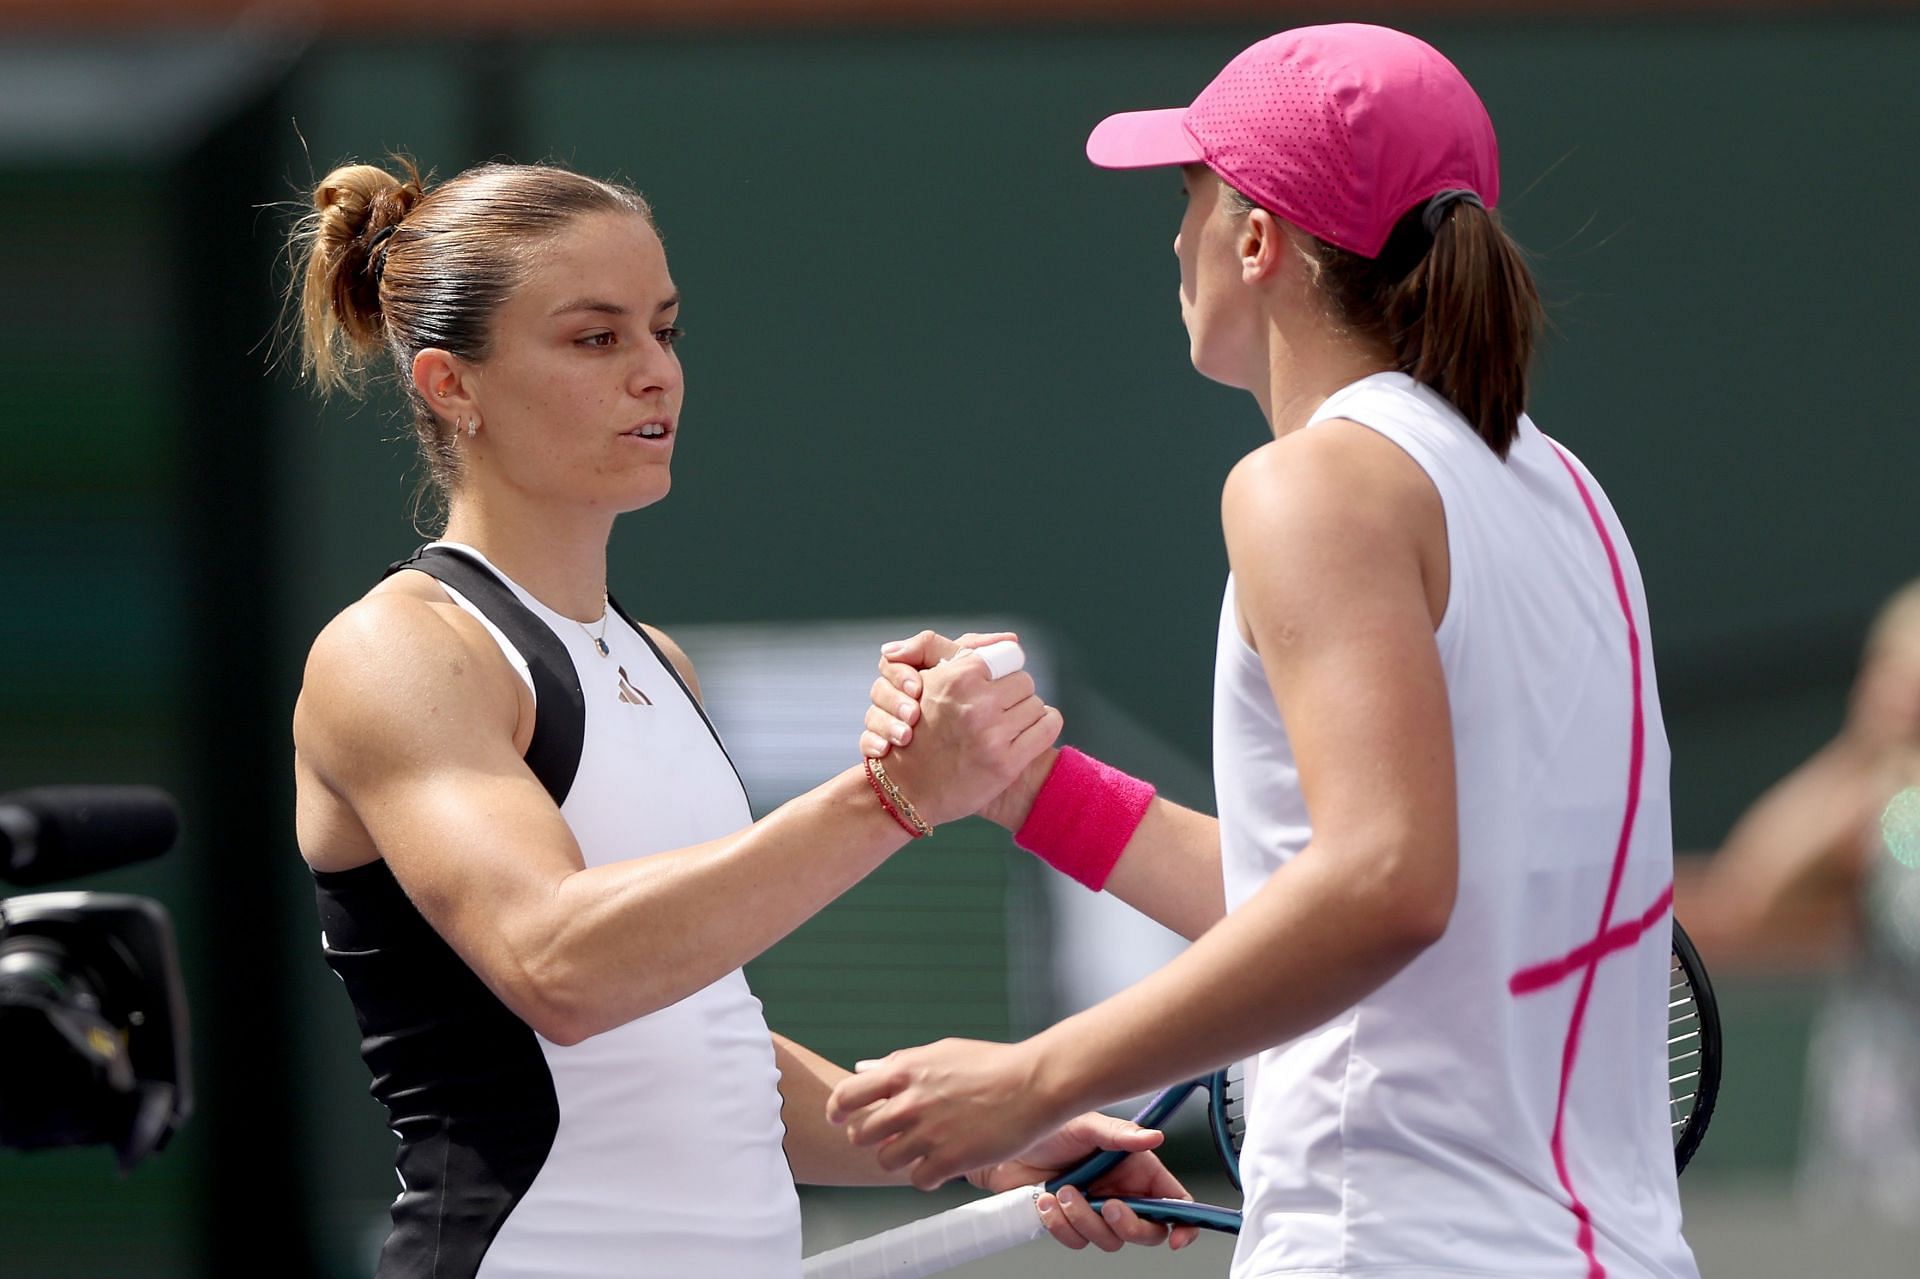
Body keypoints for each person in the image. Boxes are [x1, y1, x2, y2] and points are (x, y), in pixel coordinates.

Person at [834, 24, 1700, 1279]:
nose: (1171, 238)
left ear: (1256, 241)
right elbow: (1338, 885)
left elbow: (1385, 886)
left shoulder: (1310, 486)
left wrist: (1033, 1077)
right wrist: (1031, 790)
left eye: (1188, 198)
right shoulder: (1563, 490)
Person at [285, 156, 1197, 1277]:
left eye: (664, 330)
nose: (656, 374)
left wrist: (981, 1135)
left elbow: (697, 1043)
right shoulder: (397, 649)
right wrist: (896, 794)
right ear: (449, 385)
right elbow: (558, 966)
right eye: (595, 338)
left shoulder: (658, 662)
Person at [1685, 579, 1920, 1220]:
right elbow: (1751, 890)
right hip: (1877, 1174)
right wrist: (1864, 751)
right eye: (1894, 675)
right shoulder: (1880, 812)